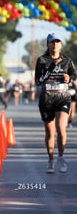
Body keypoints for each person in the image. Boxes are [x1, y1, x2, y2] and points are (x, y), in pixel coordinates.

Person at [35, 33, 76, 174]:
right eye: (52, 42)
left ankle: (61, 157)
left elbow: (74, 75)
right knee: (50, 132)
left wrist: (69, 78)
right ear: (48, 44)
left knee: (61, 127)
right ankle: (51, 159)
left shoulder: (67, 60)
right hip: (47, 100)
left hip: (62, 98)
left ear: (61, 44)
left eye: (57, 42)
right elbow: (38, 81)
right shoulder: (42, 60)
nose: (55, 44)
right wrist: (52, 68)